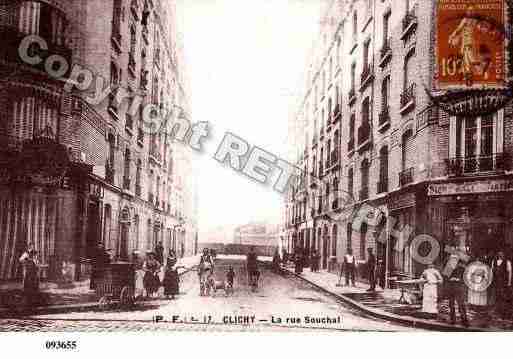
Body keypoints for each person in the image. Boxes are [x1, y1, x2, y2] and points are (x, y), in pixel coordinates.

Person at [445, 253, 469, 326]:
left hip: (459, 287)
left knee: (461, 304)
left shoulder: (461, 268)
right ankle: (452, 319)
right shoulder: (448, 268)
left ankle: (464, 320)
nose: (453, 260)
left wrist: (459, 279)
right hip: (451, 287)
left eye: (455, 259)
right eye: (451, 259)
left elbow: (465, 278)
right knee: (451, 304)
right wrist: (450, 279)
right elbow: (445, 277)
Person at [492, 251, 512, 318]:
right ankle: (497, 312)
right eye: (499, 254)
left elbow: (510, 272)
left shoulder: (507, 262)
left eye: (502, 254)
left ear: (504, 255)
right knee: (497, 297)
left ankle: (504, 313)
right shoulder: (494, 262)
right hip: (496, 282)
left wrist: (509, 282)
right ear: (497, 255)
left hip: (503, 282)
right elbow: (492, 272)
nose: (500, 255)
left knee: (503, 297)